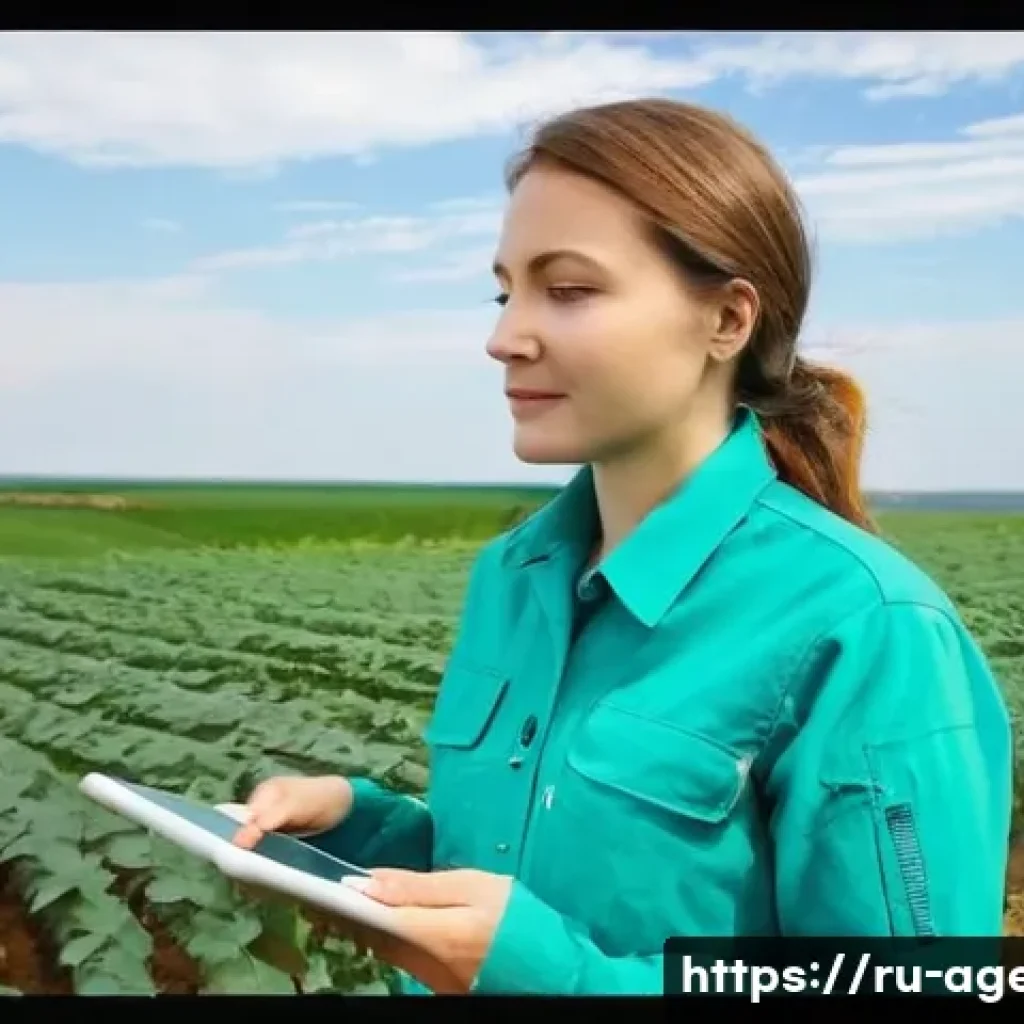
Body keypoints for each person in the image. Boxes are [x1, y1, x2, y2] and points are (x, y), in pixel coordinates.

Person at [232, 97, 1013, 995]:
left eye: (567, 290)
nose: (503, 337)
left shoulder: (867, 628)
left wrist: (549, 974)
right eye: (504, 290)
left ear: (727, 321)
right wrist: (361, 830)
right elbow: (539, 866)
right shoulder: (515, 576)